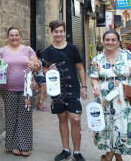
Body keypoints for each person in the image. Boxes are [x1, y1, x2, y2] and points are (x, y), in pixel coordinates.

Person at [87, 30, 131, 161]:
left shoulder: (127, 55)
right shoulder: (97, 59)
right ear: (103, 42)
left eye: (113, 40)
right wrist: (96, 86)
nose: (110, 42)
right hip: (105, 99)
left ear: (118, 42)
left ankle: (111, 155)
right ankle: (113, 154)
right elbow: (94, 78)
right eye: (107, 40)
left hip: (125, 98)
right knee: (108, 126)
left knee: (123, 125)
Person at [42, 20, 87, 161]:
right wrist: (48, 70)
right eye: (56, 31)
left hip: (73, 89)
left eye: (61, 31)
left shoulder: (72, 48)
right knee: (62, 119)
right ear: (52, 33)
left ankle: (77, 152)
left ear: (64, 32)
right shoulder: (48, 51)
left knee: (76, 119)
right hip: (56, 91)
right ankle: (66, 150)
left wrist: (84, 87)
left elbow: (80, 67)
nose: (58, 34)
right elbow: (43, 70)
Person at [0, 27, 41, 157]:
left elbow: (38, 65)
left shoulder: (28, 50)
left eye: (16, 35)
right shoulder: (2, 51)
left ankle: (25, 146)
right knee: (11, 117)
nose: (14, 38)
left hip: (27, 90)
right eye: (11, 35)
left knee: (25, 117)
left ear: (20, 36)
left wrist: (33, 64)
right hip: (7, 89)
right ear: (7, 37)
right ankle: (12, 145)